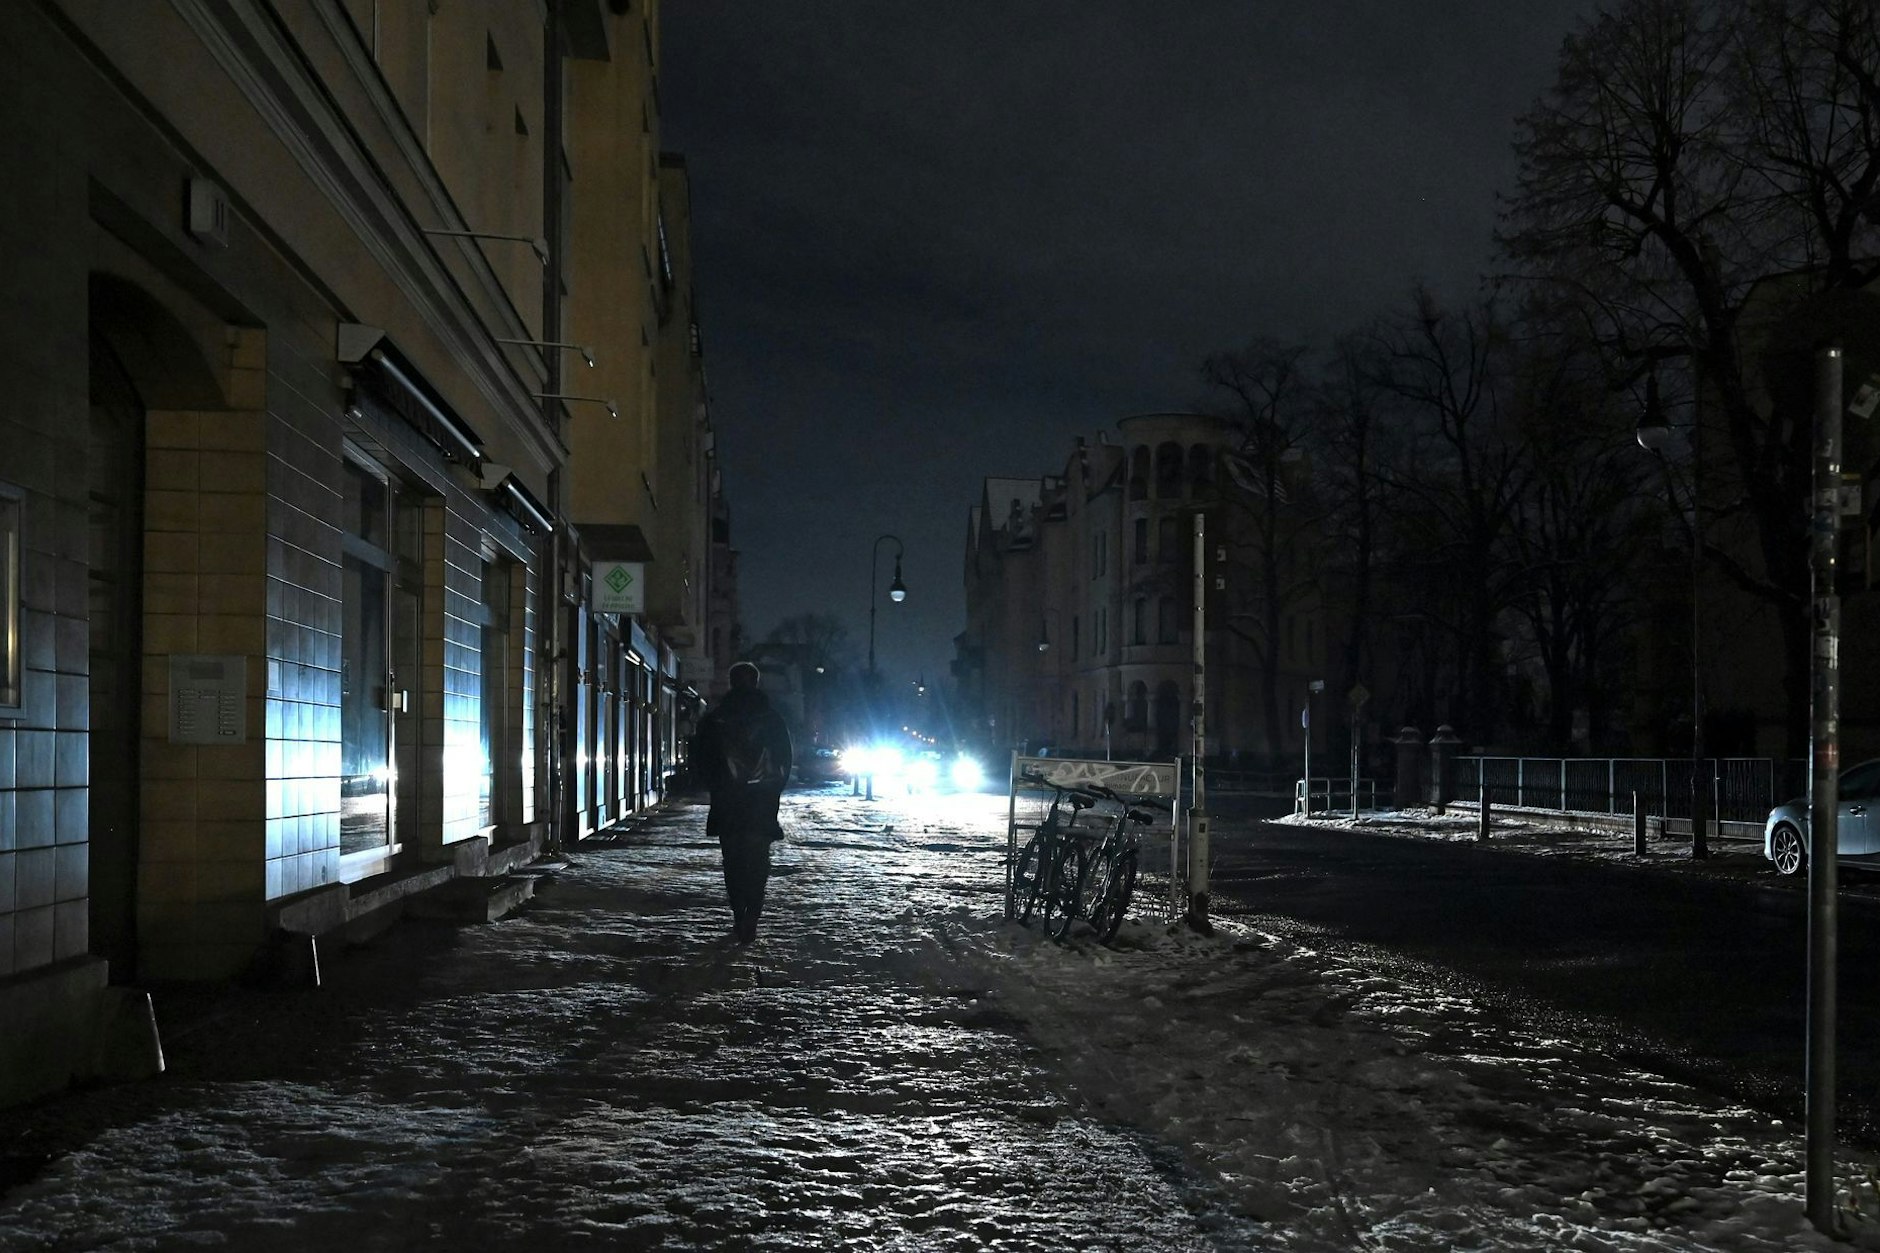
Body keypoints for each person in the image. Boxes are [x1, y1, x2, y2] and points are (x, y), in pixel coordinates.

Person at [692, 661, 793, 944]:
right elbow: (785, 761)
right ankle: (752, 917)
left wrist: (716, 787)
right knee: (759, 862)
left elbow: (701, 760)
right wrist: (772, 791)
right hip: (761, 804)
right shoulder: (773, 720)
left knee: (733, 861)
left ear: (731, 683)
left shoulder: (716, 719)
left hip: (728, 803)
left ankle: (738, 914)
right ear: (757, 683)